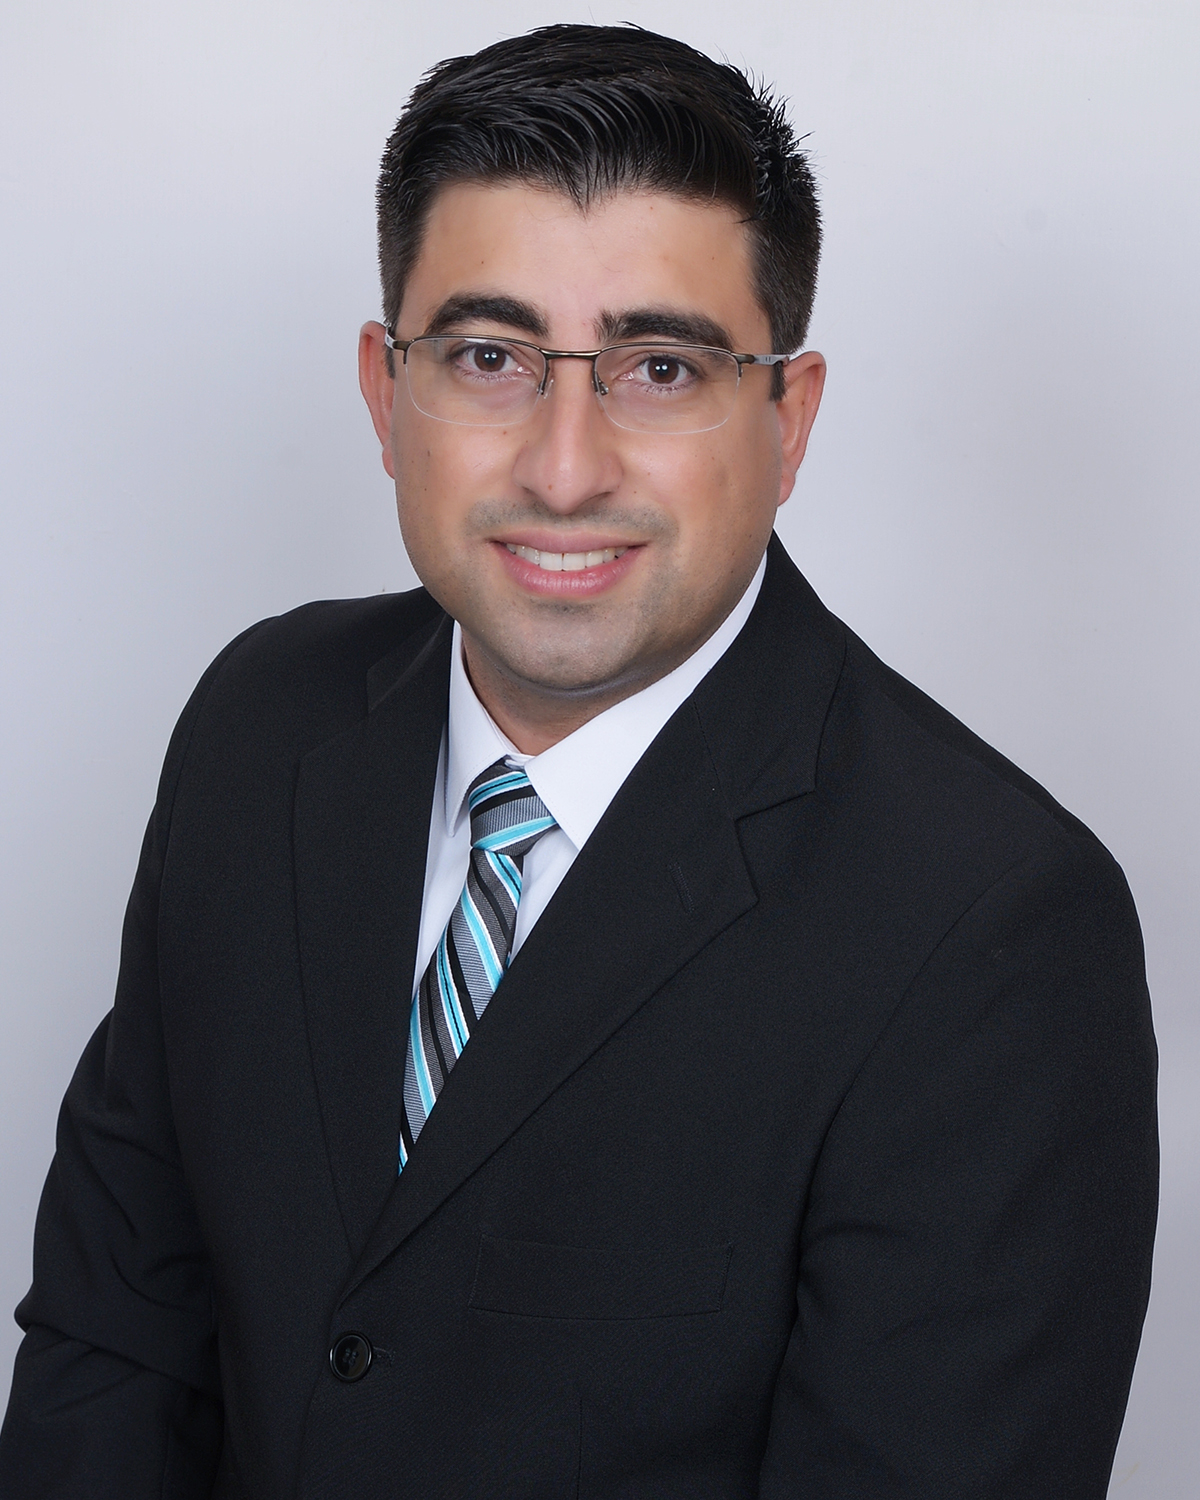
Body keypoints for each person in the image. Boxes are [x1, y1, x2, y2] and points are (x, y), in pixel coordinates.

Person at [0, 23, 1157, 1499]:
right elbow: (115, 1343)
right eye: (489, 357)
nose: (563, 468)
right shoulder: (261, 724)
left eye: (659, 368)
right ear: (384, 391)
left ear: (789, 419)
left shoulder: (993, 928)